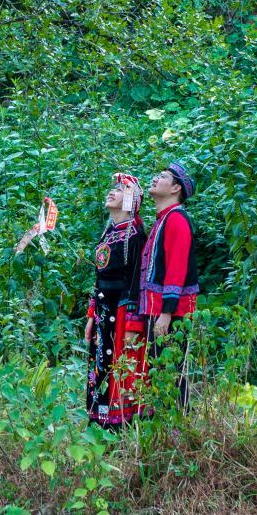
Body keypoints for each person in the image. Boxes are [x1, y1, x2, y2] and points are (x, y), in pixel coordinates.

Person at [84, 173, 149, 428]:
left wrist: (132, 324)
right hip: (102, 310)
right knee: (99, 363)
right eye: (113, 188)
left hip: (120, 311)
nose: (112, 191)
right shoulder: (109, 233)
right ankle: (98, 421)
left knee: (116, 364)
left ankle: (116, 425)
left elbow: (136, 282)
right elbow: (98, 277)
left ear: (131, 200)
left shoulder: (135, 235)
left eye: (121, 190)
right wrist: (91, 315)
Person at [133, 162, 199, 408]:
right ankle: (169, 422)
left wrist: (166, 312)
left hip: (170, 312)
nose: (155, 178)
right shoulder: (163, 219)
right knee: (160, 369)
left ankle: (180, 421)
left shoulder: (177, 219)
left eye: (162, 176)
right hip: (158, 309)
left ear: (175, 189)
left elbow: (176, 268)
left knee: (171, 370)